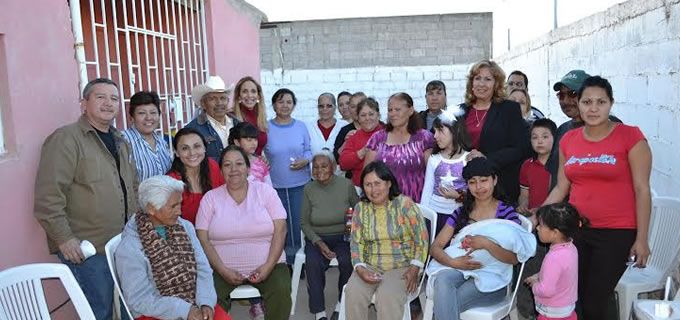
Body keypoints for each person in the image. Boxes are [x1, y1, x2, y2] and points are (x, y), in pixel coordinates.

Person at [543, 76, 652, 320]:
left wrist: (642, 239)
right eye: (587, 101)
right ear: (578, 104)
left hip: (617, 232)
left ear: (611, 103)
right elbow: (562, 187)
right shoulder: (569, 140)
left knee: (595, 300)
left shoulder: (630, 136)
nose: (593, 108)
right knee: (577, 297)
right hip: (576, 230)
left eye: (600, 102)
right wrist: (538, 216)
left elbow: (642, 190)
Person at [34, 78, 139, 320]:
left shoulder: (120, 141)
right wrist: (64, 239)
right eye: (100, 97)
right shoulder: (66, 139)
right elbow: (48, 196)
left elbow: (131, 186)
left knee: (126, 308)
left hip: (122, 244)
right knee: (98, 311)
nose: (108, 103)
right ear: (84, 104)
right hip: (87, 249)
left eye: (114, 98)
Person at [427, 157, 534, 320]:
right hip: (459, 269)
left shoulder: (506, 214)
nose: (479, 187)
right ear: (467, 185)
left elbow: (514, 259)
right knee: (443, 280)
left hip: (494, 279)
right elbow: (435, 247)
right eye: (472, 182)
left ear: (495, 180)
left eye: (484, 180)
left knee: (446, 301)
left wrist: (486, 243)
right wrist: (453, 262)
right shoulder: (461, 213)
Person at [115, 175, 231, 320]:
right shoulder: (129, 248)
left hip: (195, 302)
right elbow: (139, 300)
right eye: (173, 206)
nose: (179, 212)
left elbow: (203, 269)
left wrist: (206, 302)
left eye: (180, 204)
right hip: (154, 313)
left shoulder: (185, 227)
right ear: (151, 209)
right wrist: (184, 310)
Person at [196, 145, 292, 320]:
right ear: (221, 170)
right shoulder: (210, 198)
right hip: (221, 268)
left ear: (248, 168)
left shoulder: (266, 192)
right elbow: (202, 238)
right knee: (208, 298)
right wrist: (223, 270)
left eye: (239, 164)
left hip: (269, 264)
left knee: (281, 290)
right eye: (227, 165)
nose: (234, 170)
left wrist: (268, 266)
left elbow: (281, 229)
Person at [344, 161, 429, 320]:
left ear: (389, 183)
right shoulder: (360, 208)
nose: (373, 189)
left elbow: (422, 239)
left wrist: (415, 267)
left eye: (377, 183)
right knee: (353, 292)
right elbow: (356, 242)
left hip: (402, 266)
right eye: (368, 184)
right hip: (370, 264)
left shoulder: (405, 204)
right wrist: (360, 268)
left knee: (387, 296)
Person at [459, 60, 530, 203]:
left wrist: (486, 158)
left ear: (496, 84)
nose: (481, 84)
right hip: (466, 186)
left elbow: (520, 149)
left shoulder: (509, 109)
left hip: (500, 185)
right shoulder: (461, 111)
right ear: (471, 83)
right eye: (477, 78)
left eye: (488, 79)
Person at [301, 152, 359, 320]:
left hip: (343, 235)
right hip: (317, 236)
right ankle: (319, 312)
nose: (319, 170)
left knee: (348, 261)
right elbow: (304, 223)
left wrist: (348, 234)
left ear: (333, 167)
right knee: (312, 264)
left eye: (324, 166)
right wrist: (318, 242)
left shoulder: (346, 185)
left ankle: (342, 303)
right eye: (316, 167)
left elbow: (358, 212)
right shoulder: (308, 189)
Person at [545, 70, 622, 189]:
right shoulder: (562, 130)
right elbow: (554, 176)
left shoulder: (611, 126)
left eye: (573, 94)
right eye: (561, 95)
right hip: (561, 206)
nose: (565, 101)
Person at [264, 88, 312, 264]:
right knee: (280, 225)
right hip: (275, 186)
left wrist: (306, 161)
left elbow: (308, 150)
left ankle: (302, 261)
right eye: (280, 101)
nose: (285, 105)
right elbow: (259, 152)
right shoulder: (266, 127)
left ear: (294, 105)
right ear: (274, 104)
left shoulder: (301, 126)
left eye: (289, 102)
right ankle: (285, 262)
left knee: (299, 224)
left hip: (301, 184)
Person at [516, 118, 558, 318]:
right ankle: (528, 311)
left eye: (545, 137)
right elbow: (524, 194)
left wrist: (540, 211)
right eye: (535, 137)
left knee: (552, 268)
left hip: (554, 224)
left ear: (554, 138)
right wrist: (522, 206)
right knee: (532, 265)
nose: (539, 141)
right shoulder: (527, 165)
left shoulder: (559, 165)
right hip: (533, 226)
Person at [364, 92, 434, 203]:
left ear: (410, 110)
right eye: (390, 110)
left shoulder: (424, 138)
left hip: (417, 203)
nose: (392, 114)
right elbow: (367, 175)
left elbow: (432, 174)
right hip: (385, 204)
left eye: (397, 109)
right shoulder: (377, 138)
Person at [524, 203, 584, 320]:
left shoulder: (554, 257)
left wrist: (534, 285)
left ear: (555, 232)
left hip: (551, 313)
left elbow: (546, 290)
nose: (537, 228)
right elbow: (561, 276)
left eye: (541, 225)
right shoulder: (571, 248)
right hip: (567, 310)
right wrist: (538, 276)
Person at [420, 108, 470, 236]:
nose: (435, 135)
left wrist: (459, 196)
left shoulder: (468, 159)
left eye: (440, 130)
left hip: (459, 215)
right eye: (434, 131)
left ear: (455, 130)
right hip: (435, 215)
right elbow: (427, 191)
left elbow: (474, 194)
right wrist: (423, 218)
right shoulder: (434, 159)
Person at [167, 127, 224, 224]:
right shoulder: (171, 181)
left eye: (197, 146)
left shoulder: (212, 166)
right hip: (189, 236)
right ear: (176, 152)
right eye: (185, 148)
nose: (192, 153)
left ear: (204, 148)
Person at [121, 91, 173, 182]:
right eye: (141, 113)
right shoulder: (123, 140)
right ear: (132, 118)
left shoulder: (162, 142)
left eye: (153, 113)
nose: (148, 118)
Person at [185, 75, 239, 161]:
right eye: (212, 99)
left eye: (223, 98)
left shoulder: (237, 124)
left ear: (228, 101)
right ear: (203, 104)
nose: (219, 103)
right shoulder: (192, 130)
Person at [339, 97, 383, 186]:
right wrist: (361, 153)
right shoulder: (353, 137)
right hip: (360, 188)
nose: (367, 118)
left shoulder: (389, 134)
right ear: (358, 118)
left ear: (378, 115)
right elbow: (343, 164)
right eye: (363, 115)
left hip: (386, 187)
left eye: (371, 114)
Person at [232, 76, 268, 155]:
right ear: (238, 96)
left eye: (253, 91)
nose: (249, 95)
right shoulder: (231, 117)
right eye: (245, 91)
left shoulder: (261, 118)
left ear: (258, 96)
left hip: (257, 165)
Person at [308, 92, 348, 157]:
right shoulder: (309, 126)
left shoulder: (344, 126)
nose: (325, 109)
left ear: (335, 107)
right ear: (317, 108)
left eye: (329, 106)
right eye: (321, 106)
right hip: (314, 167)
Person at [333, 91, 367, 163]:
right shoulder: (345, 130)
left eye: (360, 106)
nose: (357, 110)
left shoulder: (380, 127)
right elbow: (336, 159)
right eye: (353, 106)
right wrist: (346, 142)